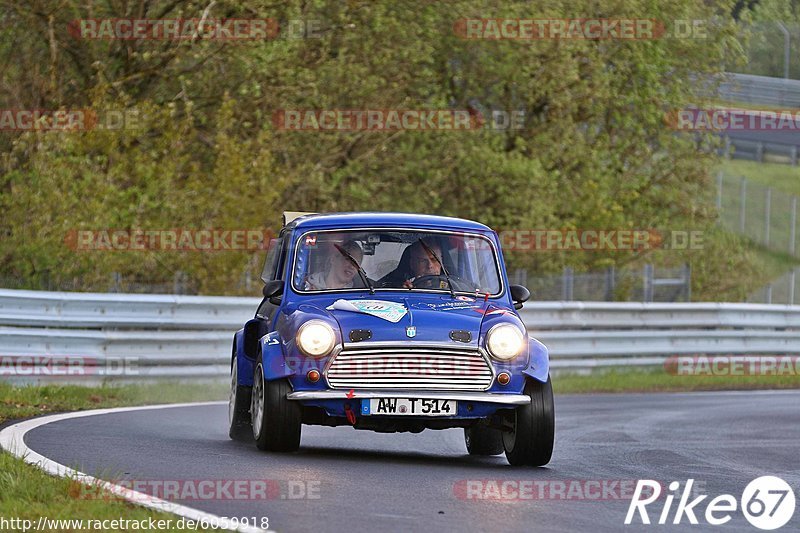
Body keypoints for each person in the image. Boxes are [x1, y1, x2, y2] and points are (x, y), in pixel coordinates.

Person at [378, 238, 443, 288]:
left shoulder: (451, 286)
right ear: (412, 264)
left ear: (441, 263)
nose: (430, 266)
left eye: (435, 260)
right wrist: (405, 292)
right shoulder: (406, 287)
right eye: (423, 261)